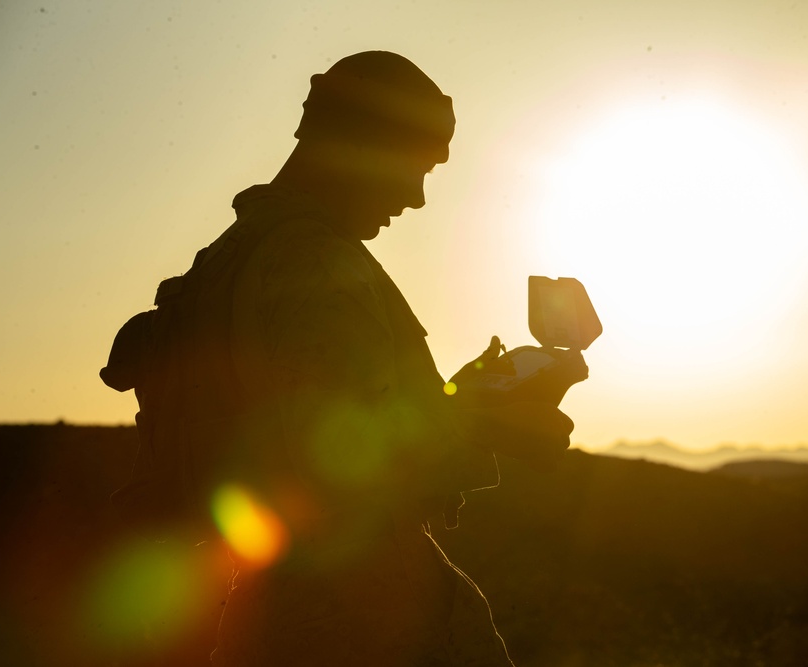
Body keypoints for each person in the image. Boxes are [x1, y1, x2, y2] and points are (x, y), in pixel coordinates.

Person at [205, 51, 576, 666]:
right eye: (414, 166)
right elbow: (340, 472)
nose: (416, 198)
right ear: (355, 143)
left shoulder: (231, 257)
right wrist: (489, 420)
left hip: (278, 600)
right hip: (359, 613)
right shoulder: (315, 267)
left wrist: (465, 399)